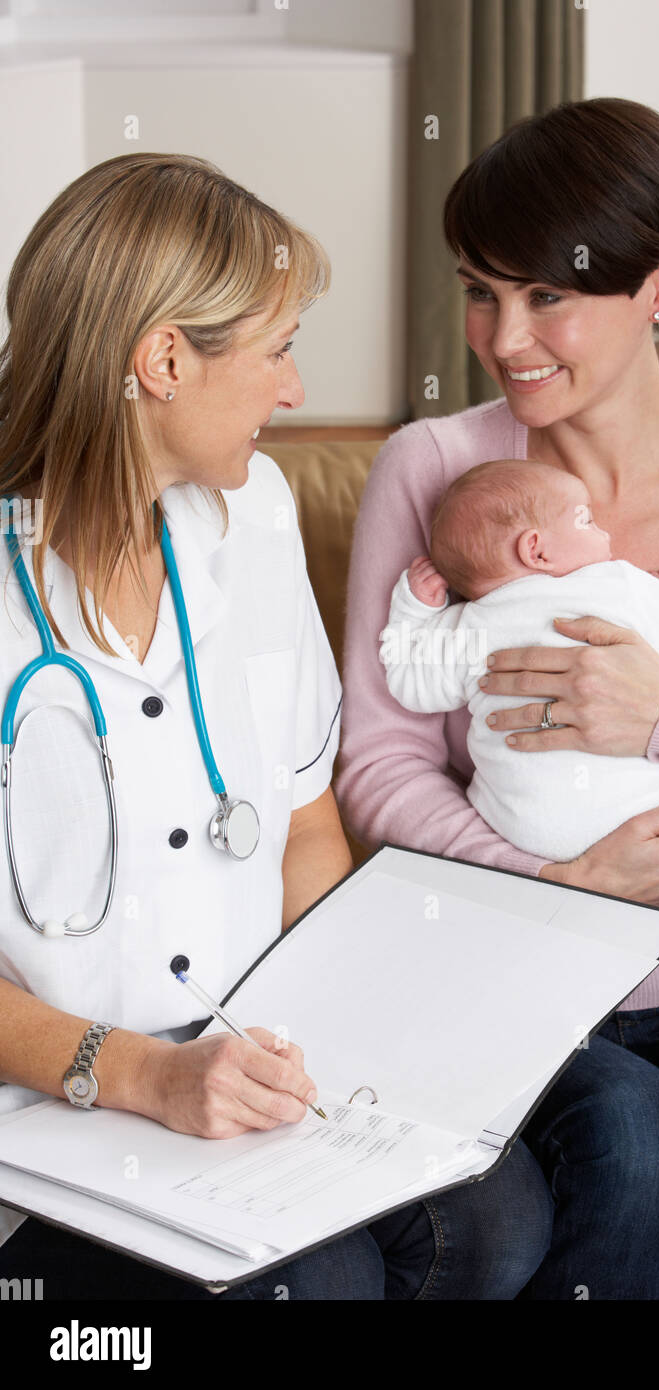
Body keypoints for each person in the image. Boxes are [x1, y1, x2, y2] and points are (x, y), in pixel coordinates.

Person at [336, 98, 659, 1298]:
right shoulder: (429, 473)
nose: (502, 335)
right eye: (480, 290)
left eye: (545, 297)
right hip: (507, 970)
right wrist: (555, 886)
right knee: (629, 1144)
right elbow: (379, 766)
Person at [0, 152, 553, 1300]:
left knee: (496, 1219)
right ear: (161, 361)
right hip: (46, 1114)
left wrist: (337, 1046)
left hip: (241, 1061)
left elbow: (305, 829)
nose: (295, 389)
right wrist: (146, 1076)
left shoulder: (246, 516)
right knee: (325, 1283)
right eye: (276, 348)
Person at [379, 455, 659, 997]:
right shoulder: (614, 586)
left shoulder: (468, 626)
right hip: (632, 817)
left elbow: (412, 685)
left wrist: (412, 609)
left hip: (517, 829)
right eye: (584, 521)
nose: (603, 532)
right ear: (537, 548)